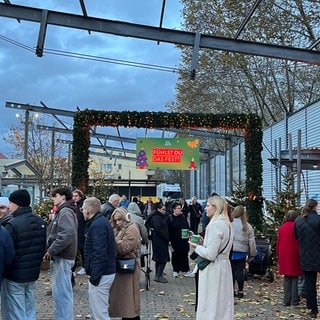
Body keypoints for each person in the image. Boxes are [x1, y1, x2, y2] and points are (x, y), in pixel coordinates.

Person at [1, 189, 46, 320]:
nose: (9, 206)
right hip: (32, 273)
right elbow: (43, 246)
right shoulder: (40, 221)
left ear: (17, 204)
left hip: (15, 274)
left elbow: (8, 252)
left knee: (17, 309)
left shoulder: (13, 224)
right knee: (29, 304)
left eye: (10, 203)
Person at [189, 195, 234, 320]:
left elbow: (210, 254)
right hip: (224, 266)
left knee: (211, 303)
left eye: (208, 206)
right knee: (222, 303)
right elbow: (217, 248)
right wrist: (203, 242)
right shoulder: (227, 224)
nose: (205, 209)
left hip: (214, 269)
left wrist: (195, 247)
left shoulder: (216, 225)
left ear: (216, 208)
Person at [44, 187, 78, 320]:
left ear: (63, 197)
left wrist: (52, 250)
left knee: (61, 294)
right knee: (62, 293)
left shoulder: (65, 212)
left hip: (62, 257)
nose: (53, 198)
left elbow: (66, 234)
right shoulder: (64, 211)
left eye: (55, 195)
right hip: (63, 256)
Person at [82, 197, 116, 320]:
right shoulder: (100, 222)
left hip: (102, 273)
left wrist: (95, 277)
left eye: (83, 209)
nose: (82, 212)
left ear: (87, 210)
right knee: (97, 310)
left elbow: (99, 253)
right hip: (103, 272)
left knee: (99, 313)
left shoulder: (98, 225)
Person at [109, 207, 141, 320]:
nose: (118, 223)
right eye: (116, 220)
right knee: (123, 300)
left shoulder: (132, 228)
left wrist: (113, 242)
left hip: (129, 267)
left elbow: (125, 247)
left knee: (129, 299)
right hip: (121, 267)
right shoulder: (118, 229)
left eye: (120, 219)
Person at [294, 199, 320, 319]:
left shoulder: (299, 220)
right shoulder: (318, 219)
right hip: (317, 254)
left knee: (310, 284)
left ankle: (312, 309)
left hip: (305, 255)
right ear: (315, 207)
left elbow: (296, 236)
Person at [277, 210, 302, 306]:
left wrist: (278, 255)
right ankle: (294, 300)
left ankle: (286, 299)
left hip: (284, 254)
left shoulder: (282, 227)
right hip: (294, 253)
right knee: (295, 277)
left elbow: (278, 242)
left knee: (287, 277)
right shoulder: (296, 227)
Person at [231, 205, 257, 298]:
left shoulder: (230, 223)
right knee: (240, 272)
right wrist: (252, 254)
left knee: (232, 271)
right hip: (242, 252)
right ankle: (240, 290)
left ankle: (232, 290)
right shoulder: (247, 226)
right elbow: (252, 241)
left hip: (231, 250)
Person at [167, 202, 193, 278]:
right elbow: (167, 230)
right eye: (178, 208)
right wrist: (169, 240)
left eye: (180, 208)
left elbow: (187, 226)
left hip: (184, 239)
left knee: (184, 254)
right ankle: (175, 270)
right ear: (173, 209)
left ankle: (186, 270)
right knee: (175, 255)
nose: (180, 210)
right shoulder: (170, 218)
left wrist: (189, 231)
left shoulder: (183, 217)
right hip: (174, 240)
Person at [148, 202, 170, 283]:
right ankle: (159, 275)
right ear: (158, 209)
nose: (165, 211)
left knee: (159, 259)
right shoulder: (157, 217)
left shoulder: (157, 216)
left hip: (158, 240)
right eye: (163, 209)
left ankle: (158, 274)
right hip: (159, 240)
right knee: (163, 258)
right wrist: (167, 237)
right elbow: (159, 229)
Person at [72, 189, 86, 276]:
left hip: (81, 230)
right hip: (75, 230)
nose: (74, 198)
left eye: (76, 196)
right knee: (74, 250)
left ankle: (84, 267)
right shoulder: (72, 205)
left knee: (82, 249)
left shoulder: (82, 206)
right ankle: (72, 269)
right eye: (73, 196)